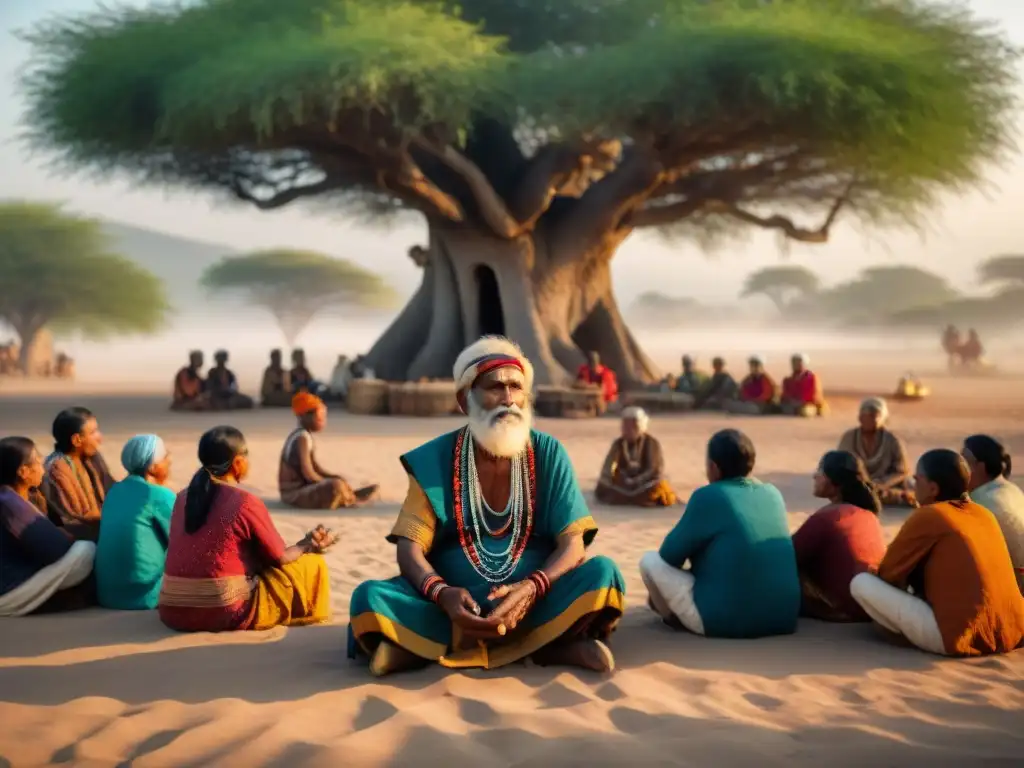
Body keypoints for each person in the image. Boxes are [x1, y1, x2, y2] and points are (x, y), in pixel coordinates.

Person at [348, 336, 626, 676]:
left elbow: (573, 544)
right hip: (453, 600)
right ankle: (553, 645)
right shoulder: (435, 458)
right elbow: (410, 550)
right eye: (495, 387)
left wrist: (530, 589)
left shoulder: (548, 452)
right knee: (368, 597)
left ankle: (420, 648)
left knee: (604, 575)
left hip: (535, 596)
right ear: (466, 400)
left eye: (516, 387)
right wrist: (442, 594)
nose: (508, 399)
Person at [159, 426, 335, 632]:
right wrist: (307, 545)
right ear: (238, 462)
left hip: (172, 608)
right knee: (313, 565)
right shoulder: (245, 502)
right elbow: (280, 558)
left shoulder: (182, 497)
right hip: (222, 611)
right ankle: (315, 623)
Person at [850, 449, 1024, 656]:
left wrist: (873, 571)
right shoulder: (983, 513)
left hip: (959, 637)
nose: (914, 485)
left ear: (932, 488)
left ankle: (903, 636)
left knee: (860, 582)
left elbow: (887, 574)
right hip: (1011, 631)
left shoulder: (930, 515)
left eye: (917, 479)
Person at [639, 429, 799, 638]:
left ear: (713, 467)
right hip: (784, 618)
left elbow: (668, 556)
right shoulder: (772, 493)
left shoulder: (708, 496)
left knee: (649, 561)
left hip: (723, 622)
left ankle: (673, 619)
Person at [0, 436, 96, 616]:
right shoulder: (10, 502)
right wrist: (67, 535)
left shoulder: (14, 496)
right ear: (23, 472)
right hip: (8, 590)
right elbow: (57, 550)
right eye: (36, 460)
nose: (41, 464)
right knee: (86, 551)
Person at [792, 451, 886, 622]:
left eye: (820, 471)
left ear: (835, 482)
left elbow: (788, 555)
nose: (815, 476)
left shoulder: (830, 517)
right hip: (871, 607)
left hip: (843, 609)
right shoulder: (868, 515)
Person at [94, 435, 176, 610]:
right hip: (146, 594)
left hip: (108, 594)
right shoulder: (159, 495)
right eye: (165, 456)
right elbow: (183, 540)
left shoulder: (114, 491)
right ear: (153, 468)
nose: (169, 460)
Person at [279, 391, 380, 509]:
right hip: (293, 495)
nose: (323, 422)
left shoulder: (304, 436)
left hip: (302, 490)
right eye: (320, 418)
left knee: (337, 480)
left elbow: (316, 468)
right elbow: (309, 474)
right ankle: (350, 499)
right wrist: (328, 482)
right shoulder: (301, 438)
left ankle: (348, 495)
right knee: (334, 486)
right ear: (306, 417)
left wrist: (335, 477)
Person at [41, 407, 116, 540]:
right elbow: (70, 519)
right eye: (93, 432)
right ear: (76, 440)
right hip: (74, 540)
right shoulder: (56, 469)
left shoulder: (92, 457)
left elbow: (112, 489)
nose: (100, 437)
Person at [963, 435, 1024, 593]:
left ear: (980, 467)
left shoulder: (981, 504)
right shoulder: (1011, 490)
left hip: (1010, 594)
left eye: (964, 461)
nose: (959, 468)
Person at [838, 397, 916, 507]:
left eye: (875, 416)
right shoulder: (849, 438)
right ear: (860, 417)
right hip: (857, 483)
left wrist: (882, 484)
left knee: (909, 488)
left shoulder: (893, 440)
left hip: (886, 484)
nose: (871, 419)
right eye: (867, 415)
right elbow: (839, 466)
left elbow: (902, 471)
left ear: (883, 418)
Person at [595, 407, 677, 507]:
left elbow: (654, 469)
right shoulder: (618, 443)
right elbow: (608, 466)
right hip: (624, 483)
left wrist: (638, 480)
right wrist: (606, 480)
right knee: (602, 488)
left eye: (631, 426)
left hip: (646, 484)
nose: (626, 430)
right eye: (624, 426)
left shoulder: (651, 443)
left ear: (640, 426)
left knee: (659, 487)